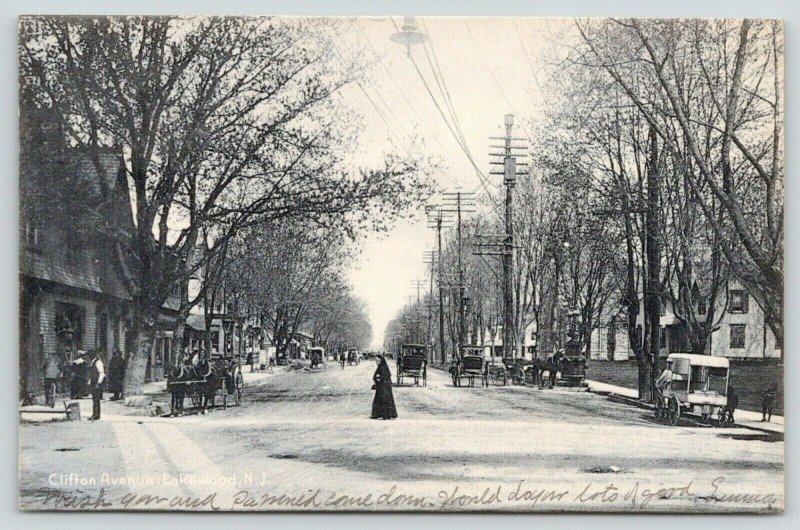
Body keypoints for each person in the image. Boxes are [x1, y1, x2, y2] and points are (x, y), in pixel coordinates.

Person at [371, 355, 397, 420]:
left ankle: (385, 415)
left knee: (384, 400)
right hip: (382, 386)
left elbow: (384, 377)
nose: (376, 362)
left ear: (380, 361)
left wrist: (378, 378)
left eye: (377, 361)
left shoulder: (383, 367)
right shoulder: (380, 367)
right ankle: (379, 414)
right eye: (376, 361)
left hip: (384, 387)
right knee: (379, 400)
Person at [88, 351, 106, 421]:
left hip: (96, 383)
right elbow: (91, 374)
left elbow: (102, 373)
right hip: (93, 382)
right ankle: (95, 414)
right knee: (94, 399)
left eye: (90, 355)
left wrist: (99, 383)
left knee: (96, 399)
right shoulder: (93, 362)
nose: (88, 357)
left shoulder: (98, 362)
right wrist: (89, 383)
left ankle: (96, 415)